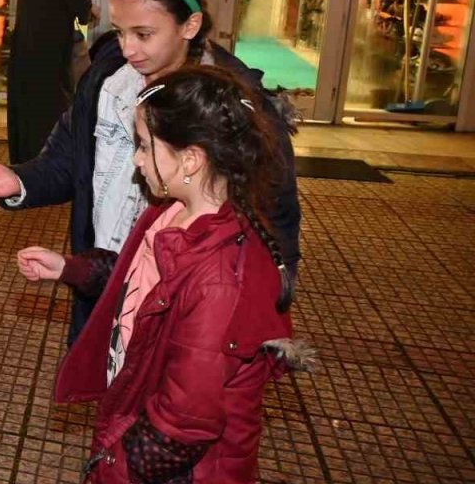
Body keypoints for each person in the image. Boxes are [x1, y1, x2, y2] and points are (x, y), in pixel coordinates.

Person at [0, 0, 300, 343]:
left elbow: (276, 214)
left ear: (189, 25)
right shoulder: (108, 80)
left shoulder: (233, 105)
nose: (128, 49)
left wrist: (270, 296)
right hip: (106, 277)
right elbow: (69, 159)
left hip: (187, 302)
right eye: (120, 32)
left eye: (143, 34)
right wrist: (18, 180)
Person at [20, 66, 310, 483]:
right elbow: (138, 280)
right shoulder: (172, 211)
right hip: (136, 409)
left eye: (143, 145)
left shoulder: (221, 280)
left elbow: (183, 426)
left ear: (190, 159)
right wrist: (71, 268)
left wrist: (112, 466)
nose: (137, 160)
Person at [6, 0, 92, 165]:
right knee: (50, 101)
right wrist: (89, 9)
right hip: (49, 47)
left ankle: (25, 154)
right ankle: (47, 157)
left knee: (27, 102)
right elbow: (77, 0)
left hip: (26, 44)